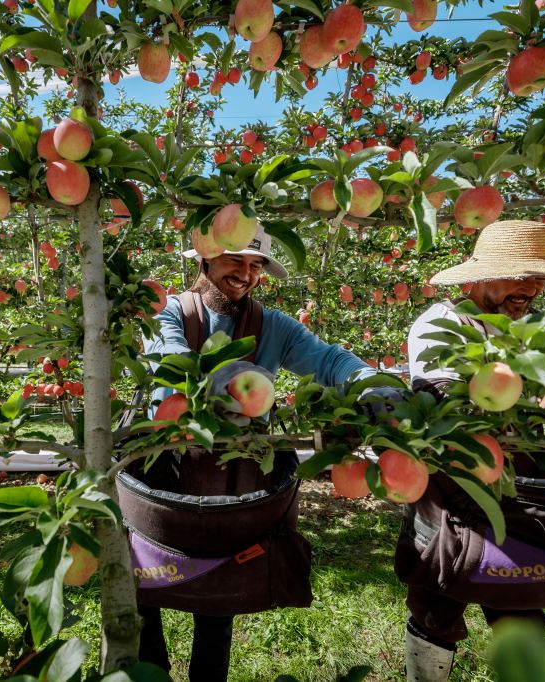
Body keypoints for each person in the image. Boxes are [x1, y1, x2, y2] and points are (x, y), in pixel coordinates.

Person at [140, 225, 378, 681]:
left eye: (256, 266)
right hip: (163, 470)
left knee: (219, 586)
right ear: (205, 261)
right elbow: (168, 361)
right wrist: (228, 381)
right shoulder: (169, 312)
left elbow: (329, 360)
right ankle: (152, 668)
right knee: (146, 577)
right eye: (235, 261)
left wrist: (374, 385)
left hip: (233, 476)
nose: (246, 274)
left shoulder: (272, 325)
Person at [400, 220, 545, 682]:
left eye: (538, 277)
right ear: (482, 275)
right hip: (457, 483)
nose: (529, 287)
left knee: (520, 595)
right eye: (516, 274)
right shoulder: (443, 324)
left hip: (528, 490)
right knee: (437, 595)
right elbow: (442, 398)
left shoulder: (541, 333)